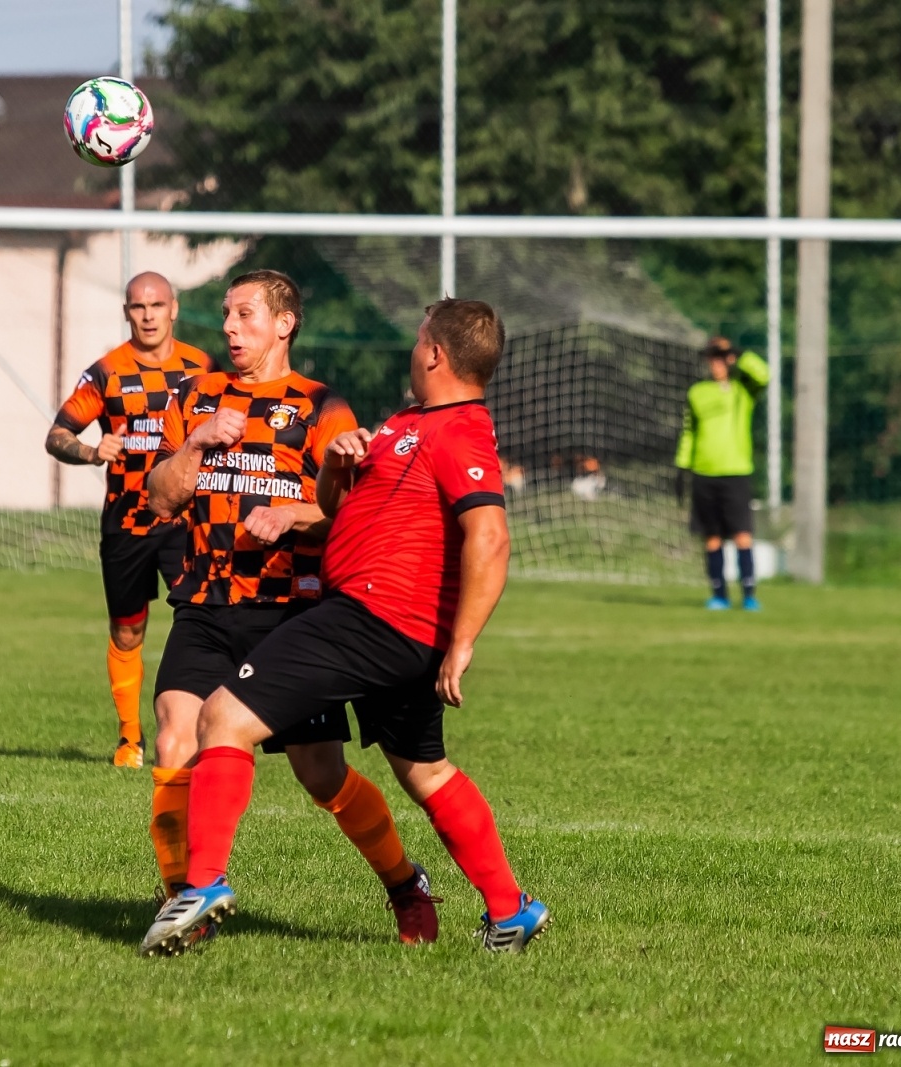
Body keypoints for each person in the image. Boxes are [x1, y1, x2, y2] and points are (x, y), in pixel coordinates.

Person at [140, 298, 550, 958]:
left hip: (372, 617)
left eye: (419, 340)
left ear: (435, 354)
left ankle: (203, 884)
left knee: (224, 719)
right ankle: (510, 909)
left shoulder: (461, 429)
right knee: (426, 771)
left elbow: (491, 536)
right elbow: (336, 508)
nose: (414, 351)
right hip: (381, 622)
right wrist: (338, 464)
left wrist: (464, 641)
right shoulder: (410, 423)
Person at [141, 269, 440, 947]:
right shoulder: (194, 396)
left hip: (290, 616)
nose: (228, 327)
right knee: (173, 739)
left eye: (245, 314)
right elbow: (160, 498)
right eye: (224, 314)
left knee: (321, 774)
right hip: (207, 605)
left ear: (285, 323)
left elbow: (352, 515)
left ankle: (403, 883)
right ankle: (184, 906)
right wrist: (194, 444)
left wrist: (295, 511)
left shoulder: (319, 406)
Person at [45, 272, 214, 768]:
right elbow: (57, 435)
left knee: (200, 622)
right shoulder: (107, 372)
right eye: (138, 306)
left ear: (173, 309)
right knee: (127, 632)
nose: (148, 315)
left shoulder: (202, 367)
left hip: (185, 521)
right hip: (126, 522)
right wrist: (92, 450)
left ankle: (200, 735)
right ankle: (128, 740)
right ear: (126, 312)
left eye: (156, 305)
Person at [675, 336, 769, 611]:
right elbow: (689, 433)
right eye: (712, 357)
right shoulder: (698, 392)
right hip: (704, 473)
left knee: (742, 534)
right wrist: (682, 466)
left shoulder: (743, 391)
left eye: (720, 357)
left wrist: (738, 355)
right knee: (712, 537)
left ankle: (749, 594)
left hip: (736, 473)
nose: (715, 363)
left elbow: (764, 374)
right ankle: (719, 594)